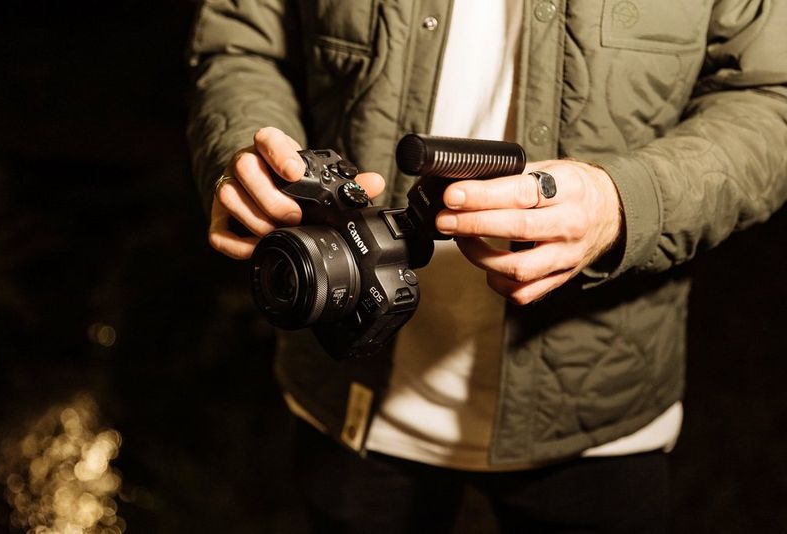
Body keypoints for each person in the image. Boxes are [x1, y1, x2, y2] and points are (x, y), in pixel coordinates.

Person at [187, 0, 787, 531]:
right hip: (348, 387)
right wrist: (246, 152)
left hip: (596, 405)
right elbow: (241, 42)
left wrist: (623, 203)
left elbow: (772, 98)